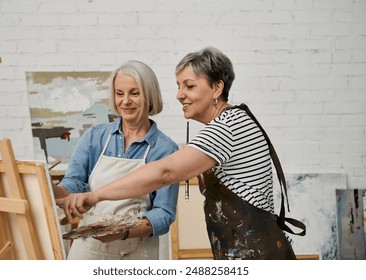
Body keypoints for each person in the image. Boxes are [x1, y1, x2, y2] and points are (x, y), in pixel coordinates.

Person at [56, 47, 305, 260]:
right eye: (178, 86)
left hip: (256, 255)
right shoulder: (234, 120)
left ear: (217, 87)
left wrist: (96, 196)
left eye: (189, 86)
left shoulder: (227, 127)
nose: (179, 95)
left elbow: (164, 173)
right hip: (241, 251)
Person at [53, 60, 179, 260]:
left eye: (134, 93)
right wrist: (47, 188)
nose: (125, 101)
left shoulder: (166, 149)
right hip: (88, 250)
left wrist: (123, 231)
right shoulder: (95, 136)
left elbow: (164, 214)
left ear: (150, 95)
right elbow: (74, 183)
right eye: (119, 94)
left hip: (136, 254)